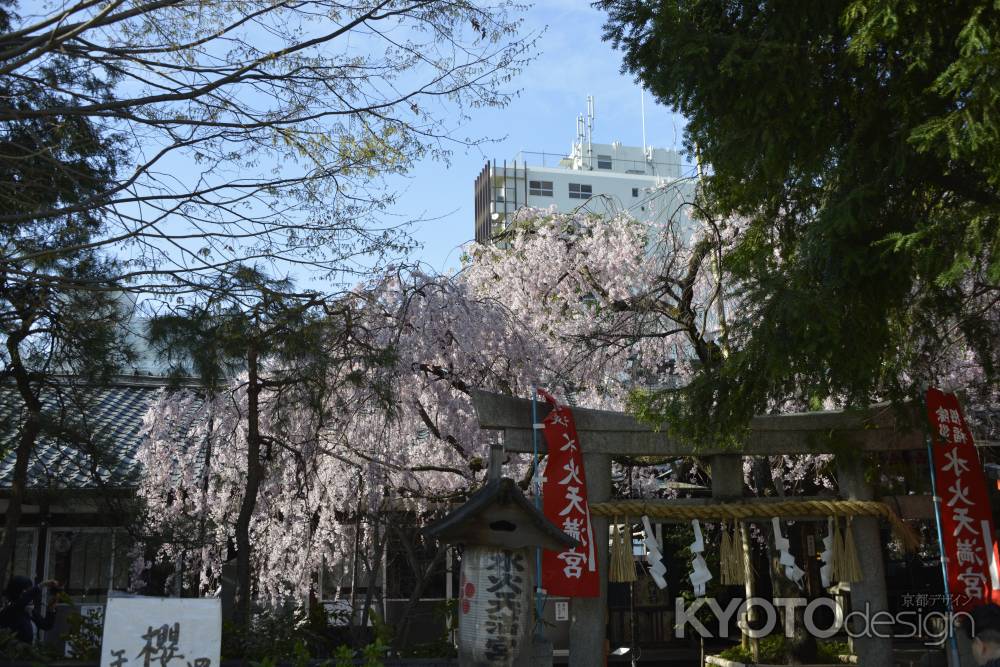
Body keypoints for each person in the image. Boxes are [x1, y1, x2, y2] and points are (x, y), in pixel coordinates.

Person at [0, 576, 59, 644]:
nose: (31, 597)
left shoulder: (29, 610)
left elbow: (46, 625)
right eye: (26, 591)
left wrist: (51, 608)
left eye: (30, 589)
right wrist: (42, 585)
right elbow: (22, 601)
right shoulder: (10, 610)